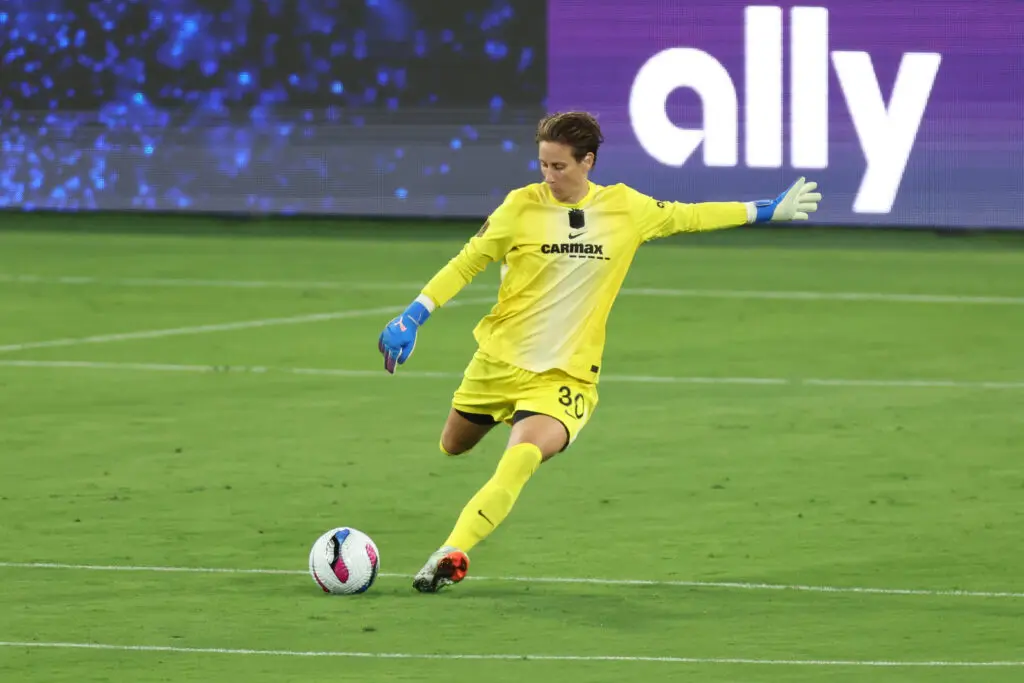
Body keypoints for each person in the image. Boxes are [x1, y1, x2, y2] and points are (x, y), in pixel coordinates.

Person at [377, 111, 821, 593]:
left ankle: (452, 551)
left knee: (520, 458)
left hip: (564, 377)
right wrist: (414, 314)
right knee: (453, 445)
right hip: (497, 363)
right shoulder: (519, 207)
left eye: (559, 167)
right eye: (543, 165)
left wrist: (763, 209)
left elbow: (690, 216)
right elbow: (467, 263)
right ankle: (510, 423)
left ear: (587, 161)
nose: (549, 176)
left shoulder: (625, 208)